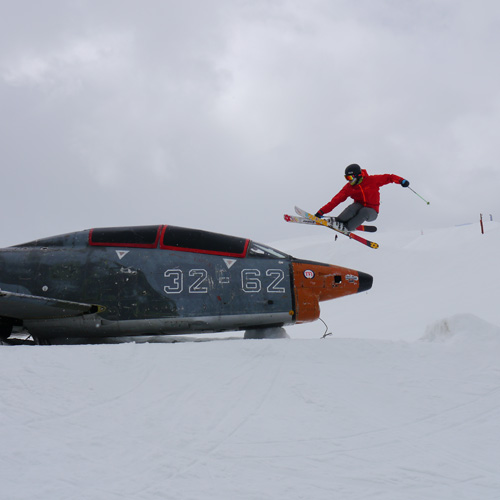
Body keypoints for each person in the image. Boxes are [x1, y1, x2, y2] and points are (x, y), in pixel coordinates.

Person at [315, 164, 409, 232]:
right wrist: (321, 212)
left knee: (364, 211)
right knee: (352, 208)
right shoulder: (349, 188)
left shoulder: (372, 181)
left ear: (358, 175)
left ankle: (348, 227)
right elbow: (336, 200)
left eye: (350, 177)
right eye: (347, 178)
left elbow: (389, 177)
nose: (349, 181)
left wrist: (401, 180)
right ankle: (339, 221)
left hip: (372, 211)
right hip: (359, 206)